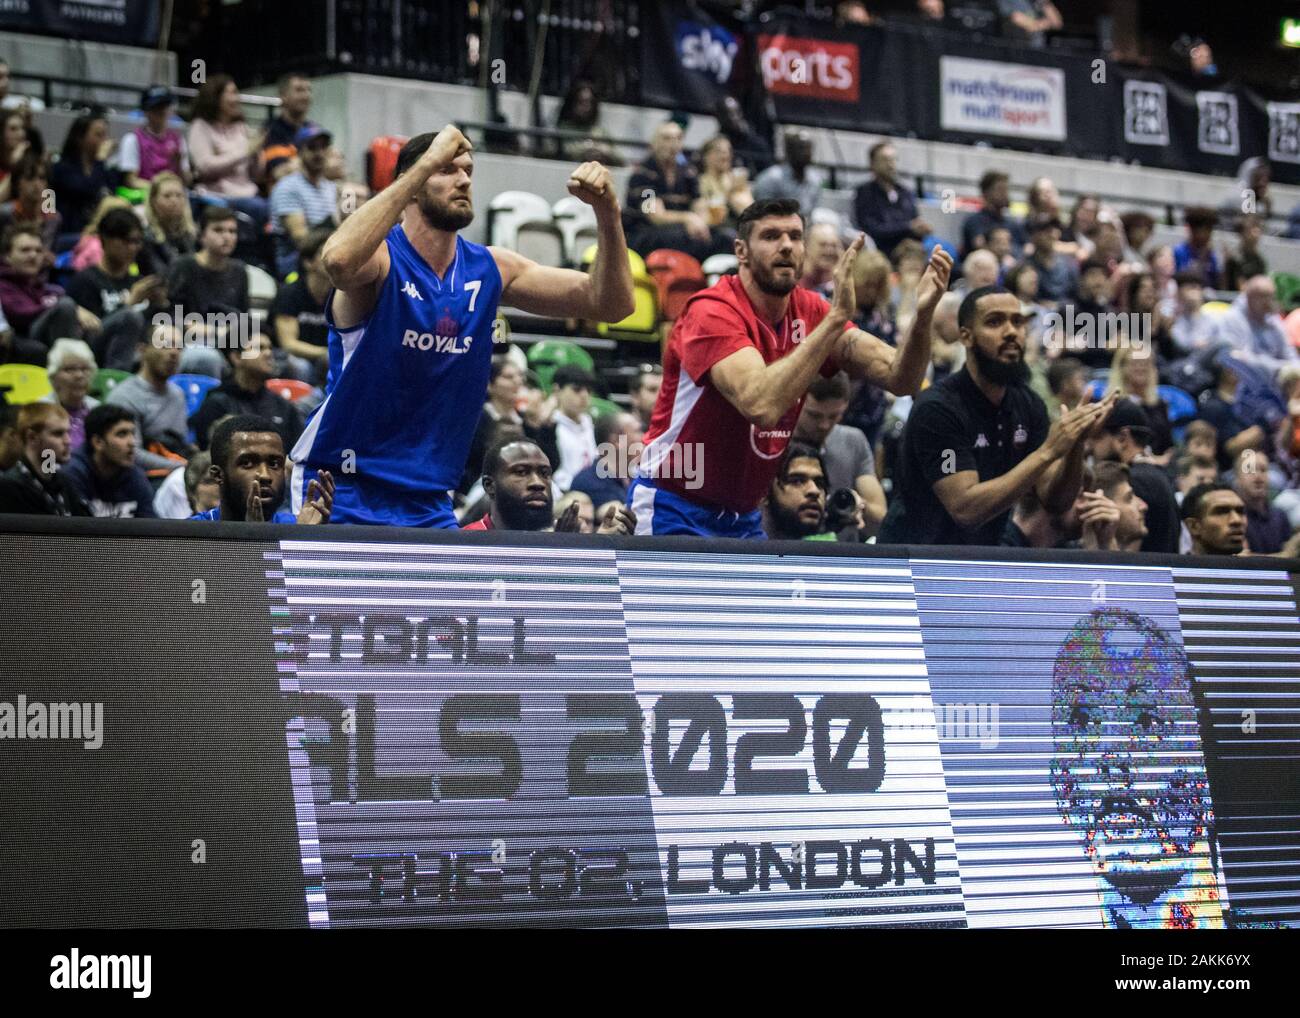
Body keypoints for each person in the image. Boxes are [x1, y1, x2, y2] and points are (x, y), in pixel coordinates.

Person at [295, 124, 634, 526]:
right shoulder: (383, 260)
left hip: (430, 500)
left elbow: (611, 304)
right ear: (413, 184)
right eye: (446, 169)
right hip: (340, 488)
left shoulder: (491, 266)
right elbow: (337, 261)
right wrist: (423, 165)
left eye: (467, 171)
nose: (463, 180)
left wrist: (607, 213)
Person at [631, 197, 952, 538]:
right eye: (771, 236)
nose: (786, 246)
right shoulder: (712, 311)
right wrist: (835, 322)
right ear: (741, 251)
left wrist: (923, 316)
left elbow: (901, 379)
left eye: (795, 236)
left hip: (743, 516)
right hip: (675, 505)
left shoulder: (811, 309)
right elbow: (760, 405)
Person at [879, 286, 1114, 546]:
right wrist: (1048, 451)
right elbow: (965, 509)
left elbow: (1056, 501)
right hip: (913, 558)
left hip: (982, 559)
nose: (1011, 332)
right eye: (995, 322)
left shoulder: (1028, 404)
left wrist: (1076, 445)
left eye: (1017, 322)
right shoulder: (939, 407)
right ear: (966, 337)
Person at [462, 435, 634, 534]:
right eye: (521, 472)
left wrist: (604, 550)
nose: (538, 483)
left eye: (545, 474)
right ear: (489, 486)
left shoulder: (562, 538)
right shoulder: (467, 543)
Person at [621, 121, 732, 262]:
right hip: (644, 233)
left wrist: (701, 222)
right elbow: (656, 216)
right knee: (681, 239)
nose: (673, 143)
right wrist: (688, 218)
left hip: (680, 232)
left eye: (678, 138)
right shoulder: (643, 174)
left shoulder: (688, 174)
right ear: (654, 143)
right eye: (666, 138)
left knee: (725, 238)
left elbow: (700, 206)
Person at [191, 413, 332, 524]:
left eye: (274, 464)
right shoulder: (189, 536)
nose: (265, 475)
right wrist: (254, 539)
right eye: (247, 463)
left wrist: (307, 541)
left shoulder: (299, 528)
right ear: (218, 475)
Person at [792, 371, 887, 536]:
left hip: (843, 554)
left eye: (834, 416)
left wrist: (853, 503)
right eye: (814, 415)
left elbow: (879, 519)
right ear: (795, 402)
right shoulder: (773, 445)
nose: (824, 425)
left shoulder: (853, 441)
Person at [1090, 399, 1181, 554]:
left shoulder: (1133, 480)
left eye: (1097, 437)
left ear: (1122, 438)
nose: (1090, 447)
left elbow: (1129, 546)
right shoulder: (1154, 475)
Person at [189, 332, 302, 452]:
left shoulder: (283, 406)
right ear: (237, 357)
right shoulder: (217, 403)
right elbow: (209, 453)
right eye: (259, 348)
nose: (269, 353)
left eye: (270, 348)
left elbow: (297, 452)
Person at [104, 326, 194, 471]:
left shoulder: (178, 394)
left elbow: (181, 445)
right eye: (165, 345)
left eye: (179, 348)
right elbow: (132, 454)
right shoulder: (124, 397)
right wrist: (183, 468)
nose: (173, 353)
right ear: (142, 350)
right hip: (141, 477)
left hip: (177, 469)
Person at [0, 225, 93, 362]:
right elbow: (21, 315)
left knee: (92, 324)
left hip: (51, 343)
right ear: (7, 256)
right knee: (66, 306)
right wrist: (71, 308)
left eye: (38, 251)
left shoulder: (52, 290)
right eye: (25, 250)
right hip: (22, 347)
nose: (33, 255)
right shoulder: (4, 286)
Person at [188, 75, 267, 227]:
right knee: (262, 208)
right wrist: (245, 152)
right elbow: (204, 166)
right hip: (218, 197)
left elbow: (257, 175)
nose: (236, 98)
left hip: (249, 194)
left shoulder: (241, 127)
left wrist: (257, 153)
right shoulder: (200, 126)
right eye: (231, 93)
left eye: (237, 93)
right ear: (215, 97)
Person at [59, 404, 156, 518]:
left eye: (132, 434)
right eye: (122, 434)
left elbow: (150, 527)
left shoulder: (137, 477)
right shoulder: (72, 475)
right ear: (98, 442)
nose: (132, 442)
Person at [270, 125, 338, 278]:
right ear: (300, 152)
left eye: (323, 147)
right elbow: (302, 240)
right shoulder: (287, 187)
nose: (319, 153)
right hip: (294, 266)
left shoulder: (330, 188)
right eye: (312, 148)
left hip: (324, 256)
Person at [0, 403, 88, 515]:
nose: (68, 441)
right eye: (58, 434)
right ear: (32, 437)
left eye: (68, 432)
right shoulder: (10, 487)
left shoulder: (63, 481)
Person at [271, 225, 332, 383]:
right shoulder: (290, 293)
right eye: (324, 253)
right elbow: (289, 344)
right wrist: (326, 351)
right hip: (289, 357)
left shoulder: (341, 295)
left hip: (325, 357)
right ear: (308, 262)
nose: (333, 257)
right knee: (301, 366)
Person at [854, 141, 929, 258]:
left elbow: (914, 224)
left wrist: (922, 229)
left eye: (893, 160)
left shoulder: (906, 193)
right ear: (872, 164)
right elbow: (871, 229)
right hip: (880, 252)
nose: (891, 164)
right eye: (885, 160)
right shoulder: (865, 193)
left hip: (908, 252)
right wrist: (908, 227)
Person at [49, 112, 116, 241]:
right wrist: (100, 160)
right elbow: (86, 189)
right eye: (98, 135)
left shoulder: (104, 169)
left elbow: (111, 193)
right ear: (80, 138)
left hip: (97, 234)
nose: (104, 141)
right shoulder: (62, 168)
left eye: (105, 135)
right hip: (68, 235)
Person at [1214, 274, 1295, 374]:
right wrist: (1281, 366)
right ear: (1250, 297)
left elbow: (1289, 353)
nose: (1269, 303)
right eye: (1263, 297)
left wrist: (1294, 368)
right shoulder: (1232, 318)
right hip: (1245, 379)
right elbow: (1242, 358)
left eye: (1271, 297)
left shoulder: (1272, 318)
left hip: (1276, 375)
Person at [116, 86, 190, 190]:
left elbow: (187, 181)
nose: (162, 111)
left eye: (165, 106)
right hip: (145, 197)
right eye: (157, 107)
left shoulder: (178, 140)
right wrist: (160, 189)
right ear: (146, 111)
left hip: (174, 196)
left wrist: (179, 164)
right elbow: (131, 181)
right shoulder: (132, 140)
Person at [1107, 346, 1172, 457]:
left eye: (1146, 363)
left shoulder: (1159, 404)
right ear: (1122, 367)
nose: (1141, 368)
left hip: (1157, 466)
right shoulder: (1113, 405)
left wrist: (1163, 458)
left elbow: (1169, 445)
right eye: (1135, 363)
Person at [570, 410, 643, 509]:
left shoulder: (636, 478)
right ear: (617, 441)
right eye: (637, 431)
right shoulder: (589, 483)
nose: (644, 437)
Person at [751, 129, 826, 219]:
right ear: (788, 151)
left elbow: (813, 211)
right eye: (801, 148)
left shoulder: (815, 179)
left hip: (805, 226)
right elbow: (762, 214)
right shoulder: (770, 178)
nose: (806, 153)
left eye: (808, 149)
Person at [258, 73, 319, 185]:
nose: (306, 96)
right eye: (299, 90)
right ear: (283, 96)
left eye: (308, 90)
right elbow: (279, 171)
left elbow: (331, 164)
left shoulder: (314, 129)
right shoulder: (270, 131)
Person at [40, 338, 99, 452]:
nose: (79, 375)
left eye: (84, 369)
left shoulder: (97, 409)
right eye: (70, 369)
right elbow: (45, 461)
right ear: (53, 376)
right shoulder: (41, 412)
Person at [761, 442, 829, 541]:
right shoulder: (742, 546)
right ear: (765, 492)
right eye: (797, 481)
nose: (814, 491)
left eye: (819, 484)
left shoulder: (835, 540)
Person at [550, 365, 599, 490]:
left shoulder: (592, 425)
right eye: (576, 390)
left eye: (588, 390)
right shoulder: (550, 428)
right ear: (557, 391)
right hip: (563, 490)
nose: (584, 395)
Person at [1233, 448, 1291, 554]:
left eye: (1263, 470)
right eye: (1250, 470)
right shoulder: (1233, 517)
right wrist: (1285, 556)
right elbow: (1242, 560)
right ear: (1237, 478)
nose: (1258, 476)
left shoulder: (1280, 516)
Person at [0, 154, 61, 254]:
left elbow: (51, 254)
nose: (37, 184)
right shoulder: (4, 214)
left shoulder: (53, 219)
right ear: (17, 183)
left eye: (42, 178)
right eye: (30, 178)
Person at [554, 79, 623, 167]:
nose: (586, 107)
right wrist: (585, 151)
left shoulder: (600, 131)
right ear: (572, 103)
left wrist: (603, 152)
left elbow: (620, 159)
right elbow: (553, 151)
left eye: (590, 102)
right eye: (581, 102)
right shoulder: (563, 128)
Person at [140, 172, 197, 275]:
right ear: (153, 201)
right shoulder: (146, 238)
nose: (174, 201)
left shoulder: (193, 234)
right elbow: (160, 275)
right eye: (167, 196)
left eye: (179, 195)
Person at [696, 135, 753, 230]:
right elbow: (708, 213)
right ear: (706, 156)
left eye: (728, 151)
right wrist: (729, 194)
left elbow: (749, 207)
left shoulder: (735, 179)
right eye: (719, 152)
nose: (725, 155)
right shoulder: (701, 181)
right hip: (715, 228)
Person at [962, 171, 1023, 257]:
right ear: (986, 193)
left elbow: (1024, 249)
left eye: (1006, 189)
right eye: (1000, 189)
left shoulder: (1012, 224)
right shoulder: (975, 222)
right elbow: (980, 246)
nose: (1005, 194)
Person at [1182, 482, 1246, 556]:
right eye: (1222, 512)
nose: (1237, 520)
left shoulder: (1254, 566)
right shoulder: (1173, 567)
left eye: (1240, 511)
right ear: (1193, 526)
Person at [1025, 214, 1077, 305]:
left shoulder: (1069, 266)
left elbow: (1075, 297)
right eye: (1046, 230)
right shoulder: (1025, 266)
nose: (1052, 234)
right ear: (1034, 235)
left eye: (1054, 230)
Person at [154, 449, 221, 519]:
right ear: (193, 490)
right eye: (210, 482)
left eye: (221, 479)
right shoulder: (176, 482)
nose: (219, 486)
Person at [1173, 206, 1221, 289]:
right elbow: (1180, 279)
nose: (1208, 235)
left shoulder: (1212, 256)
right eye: (1204, 230)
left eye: (1210, 230)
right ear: (1192, 230)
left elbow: (1216, 282)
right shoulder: (1179, 252)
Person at [1169, 271, 1216, 355]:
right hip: (1185, 361)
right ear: (1179, 293)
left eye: (1196, 288)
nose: (1193, 293)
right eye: (1189, 288)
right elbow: (1182, 346)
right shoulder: (1172, 317)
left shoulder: (1213, 316)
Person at [798, 222, 844, 300]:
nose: (830, 251)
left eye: (834, 245)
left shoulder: (837, 284)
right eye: (823, 245)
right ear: (806, 247)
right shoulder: (794, 285)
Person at [1224, 213, 1268, 294]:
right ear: (1242, 233)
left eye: (1258, 228)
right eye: (1251, 228)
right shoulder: (1235, 259)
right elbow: (1241, 289)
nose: (1256, 232)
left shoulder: (1259, 260)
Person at [997, 0, 1062, 47]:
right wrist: (1046, 23)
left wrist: (1044, 2)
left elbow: (1057, 23)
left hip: (1039, 50)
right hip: (1016, 51)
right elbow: (1018, 20)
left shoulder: (1036, 2)